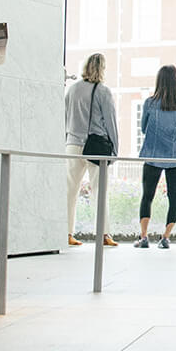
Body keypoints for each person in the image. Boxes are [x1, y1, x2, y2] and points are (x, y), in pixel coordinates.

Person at [64, 53, 119, 246]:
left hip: (72, 145)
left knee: (70, 190)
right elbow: (111, 123)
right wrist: (115, 150)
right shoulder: (103, 91)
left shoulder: (72, 89)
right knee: (99, 190)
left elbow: (65, 117)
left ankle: (66, 233)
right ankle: (103, 234)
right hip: (95, 146)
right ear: (102, 68)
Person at [135, 65, 176, 249]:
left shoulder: (150, 103)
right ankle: (165, 238)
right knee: (174, 197)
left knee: (147, 196)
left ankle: (144, 237)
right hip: (175, 157)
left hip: (153, 155)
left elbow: (144, 129)